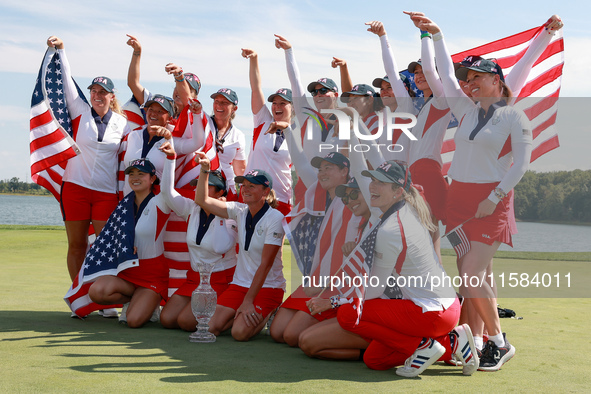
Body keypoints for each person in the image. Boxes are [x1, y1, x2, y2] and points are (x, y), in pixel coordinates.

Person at [415, 14, 535, 371]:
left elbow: (520, 166)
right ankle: (481, 341)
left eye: (477, 78)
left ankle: (499, 342)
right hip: (459, 200)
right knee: (476, 274)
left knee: (470, 273)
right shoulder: (464, 109)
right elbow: (446, 77)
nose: (470, 84)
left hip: (490, 202)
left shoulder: (515, 118)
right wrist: (436, 35)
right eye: (469, 80)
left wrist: (495, 196)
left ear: (496, 81)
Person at [332, 160, 478, 377]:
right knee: (375, 360)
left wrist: (338, 300)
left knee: (346, 314)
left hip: (433, 312)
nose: (372, 186)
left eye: (381, 182)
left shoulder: (391, 228)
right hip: (441, 307)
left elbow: (375, 289)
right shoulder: (406, 208)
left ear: (398, 191)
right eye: (372, 180)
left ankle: (425, 344)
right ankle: (453, 343)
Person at [46, 36, 131, 293]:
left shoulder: (122, 123)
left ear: (111, 96)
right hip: (75, 188)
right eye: (93, 91)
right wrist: (61, 50)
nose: (96, 96)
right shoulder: (80, 109)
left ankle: (101, 294)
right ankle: (79, 294)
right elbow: (66, 82)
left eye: (102, 92)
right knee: (77, 245)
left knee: (103, 246)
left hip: (105, 193)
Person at [194, 152, 286, 341]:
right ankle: (240, 314)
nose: (244, 189)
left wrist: (248, 301)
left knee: (239, 333)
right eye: (243, 185)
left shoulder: (275, 218)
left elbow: (266, 264)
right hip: (240, 284)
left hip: (268, 287)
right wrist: (205, 170)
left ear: (265, 192)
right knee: (209, 327)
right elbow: (202, 200)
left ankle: (270, 310)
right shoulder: (240, 210)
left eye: (252, 186)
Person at [158, 139, 237, 331]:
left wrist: (218, 212)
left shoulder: (232, 214)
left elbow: (220, 246)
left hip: (220, 279)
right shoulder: (191, 208)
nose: (198, 189)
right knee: (167, 319)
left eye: (206, 185)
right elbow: (167, 193)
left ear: (220, 192)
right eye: (197, 185)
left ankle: (235, 311)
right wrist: (171, 159)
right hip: (194, 277)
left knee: (185, 322)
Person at [88, 158, 171, 328]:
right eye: (131, 174)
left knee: (133, 321)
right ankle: (135, 299)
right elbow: (113, 237)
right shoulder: (125, 205)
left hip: (151, 274)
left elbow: (169, 186)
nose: (135, 178)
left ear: (152, 179)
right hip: (128, 271)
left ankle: (149, 302)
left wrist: (171, 159)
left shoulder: (161, 202)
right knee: (96, 291)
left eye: (141, 174)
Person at [241, 48, 293, 215]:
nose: (277, 107)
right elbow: (256, 88)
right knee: (245, 240)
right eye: (274, 103)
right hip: (251, 195)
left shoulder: (298, 134)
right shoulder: (263, 120)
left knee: (274, 242)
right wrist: (254, 59)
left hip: (281, 199)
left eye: (282, 103)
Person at [275, 34, 344, 160]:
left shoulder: (346, 121)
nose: (318, 95)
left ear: (336, 95)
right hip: (308, 179)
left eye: (323, 90)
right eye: (314, 92)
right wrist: (288, 51)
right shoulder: (307, 116)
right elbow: (295, 81)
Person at [208, 88, 247, 198]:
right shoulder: (203, 123)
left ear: (234, 108)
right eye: (216, 101)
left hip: (225, 189)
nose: (219, 105)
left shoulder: (238, 135)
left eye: (224, 103)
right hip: (201, 184)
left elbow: (240, 169)